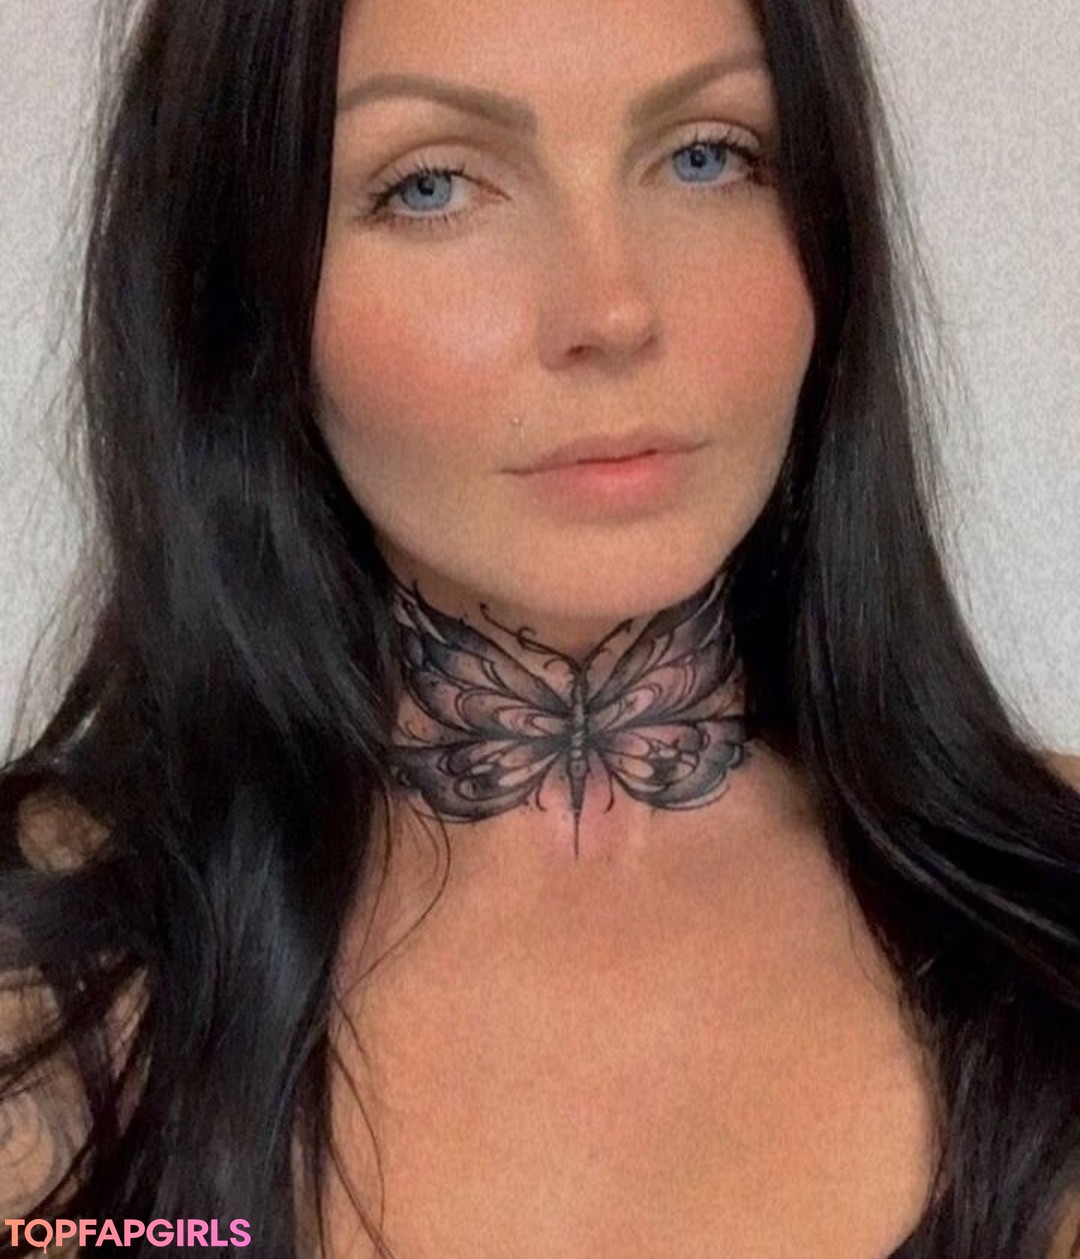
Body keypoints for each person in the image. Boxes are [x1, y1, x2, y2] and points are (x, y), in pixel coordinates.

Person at [1, 0, 1078, 1255]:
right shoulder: (39, 982)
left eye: (707, 155)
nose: (612, 309)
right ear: (234, 279)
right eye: (434, 185)